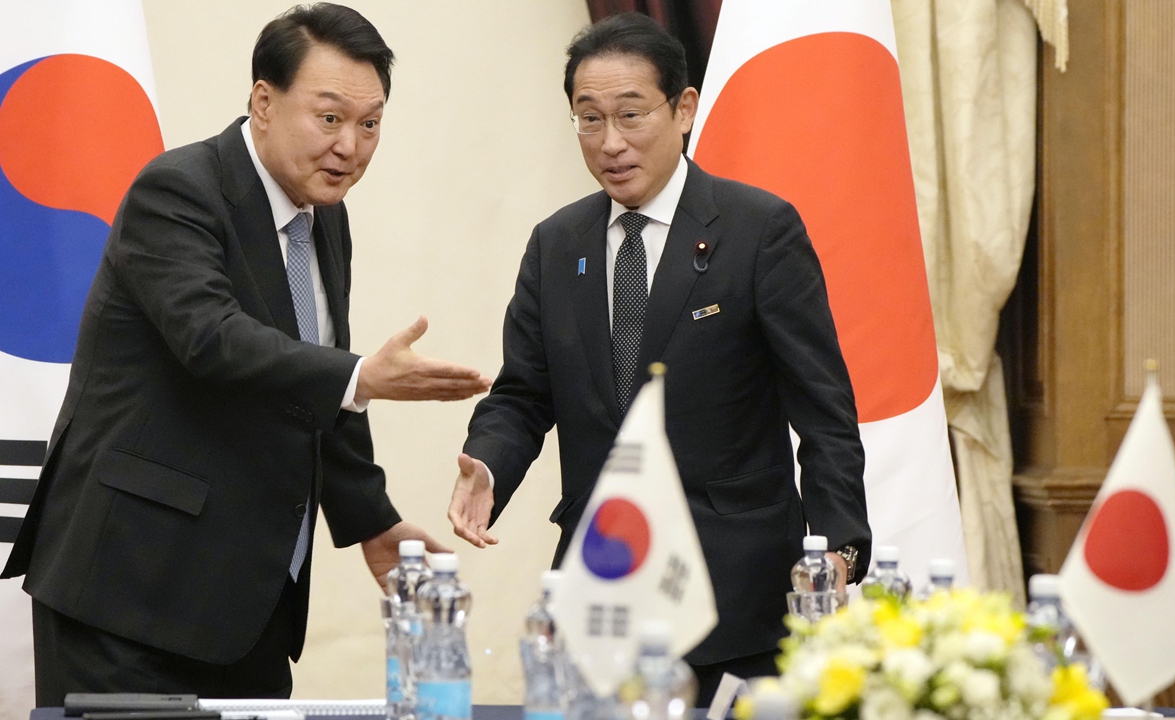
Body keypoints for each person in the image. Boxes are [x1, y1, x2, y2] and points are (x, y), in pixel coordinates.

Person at [0, 3, 491, 704]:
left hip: (245, 602)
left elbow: (312, 378)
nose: (350, 145)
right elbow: (213, 339)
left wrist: (371, 521)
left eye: (370, 123)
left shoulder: (325, 220)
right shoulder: (179, 190)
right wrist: (360, 376)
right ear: (264, 101)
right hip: (127, 596)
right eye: (329, 118)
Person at [447, 13, 871, 704]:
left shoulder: (758, 230)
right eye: (589, 120)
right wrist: (489, 463)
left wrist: (835, 554)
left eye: (630, 115)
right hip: (602, 594)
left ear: (683, 110)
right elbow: (525, 395)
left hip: (735, 596)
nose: (609, 142)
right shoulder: (557, 244)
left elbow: (825, 415)